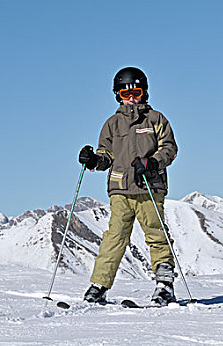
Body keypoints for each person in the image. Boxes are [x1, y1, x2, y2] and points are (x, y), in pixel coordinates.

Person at [78, 67, 178, 306]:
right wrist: (93, 160)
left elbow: (169, 149)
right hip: (120, 190)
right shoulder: (112, 124)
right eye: (125, 93)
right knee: (115, 236)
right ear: (117, 95)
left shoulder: (156, 120)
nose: (131, 97)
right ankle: (99, 285)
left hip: (149, 187)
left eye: (136, 92)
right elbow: (106, 156)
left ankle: (164, 286)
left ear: (145, 93)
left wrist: (152, 162)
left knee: (156, 234)